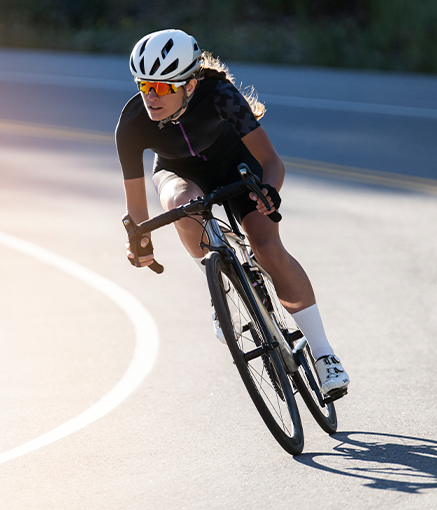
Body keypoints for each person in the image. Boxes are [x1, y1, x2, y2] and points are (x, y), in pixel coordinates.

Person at [115, 29, 349, 395]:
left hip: (235, 163)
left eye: (162, 88)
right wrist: (140, 240)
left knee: (267, 247)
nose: (150, 96)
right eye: (145, 86)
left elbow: (271, 162)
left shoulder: (221, 96)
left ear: (189, 86)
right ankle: (218, 282)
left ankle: (323, 354)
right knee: (182, 206)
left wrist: (269, 192)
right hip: (179, 173)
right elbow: (137, 215)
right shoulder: (131, 124)